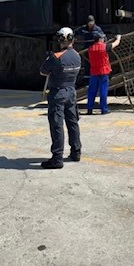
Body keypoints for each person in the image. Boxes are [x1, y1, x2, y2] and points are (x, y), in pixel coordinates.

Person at [39, 27, 83, 169]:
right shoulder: (77, 56)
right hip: (71, 92)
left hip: (58, 93)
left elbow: (43, 72)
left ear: (59, 40)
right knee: (73, 122)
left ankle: (57, 158)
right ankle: (76, 152)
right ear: (72, 40)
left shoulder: (56, 57)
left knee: (57, 125)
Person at [87, 33, 122, 115]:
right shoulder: (105, 47)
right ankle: (104, 109)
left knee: (92, 91)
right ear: (99, 39)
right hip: (103, 71)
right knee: (103, 90)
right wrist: (118, 38)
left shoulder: (90, 48)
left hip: (94, 72)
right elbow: (116, 44)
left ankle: (89, 109)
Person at [74, 14, 105, 83]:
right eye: (89, 23)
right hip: (87, 50)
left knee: (95, 63)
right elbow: (76, 32)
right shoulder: (83, 29)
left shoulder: (97, 29)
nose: (91, 25)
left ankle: (97, 77)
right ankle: (87, 78)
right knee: (87, 64)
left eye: (92, 23)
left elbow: (103, 37)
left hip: (95, 50)